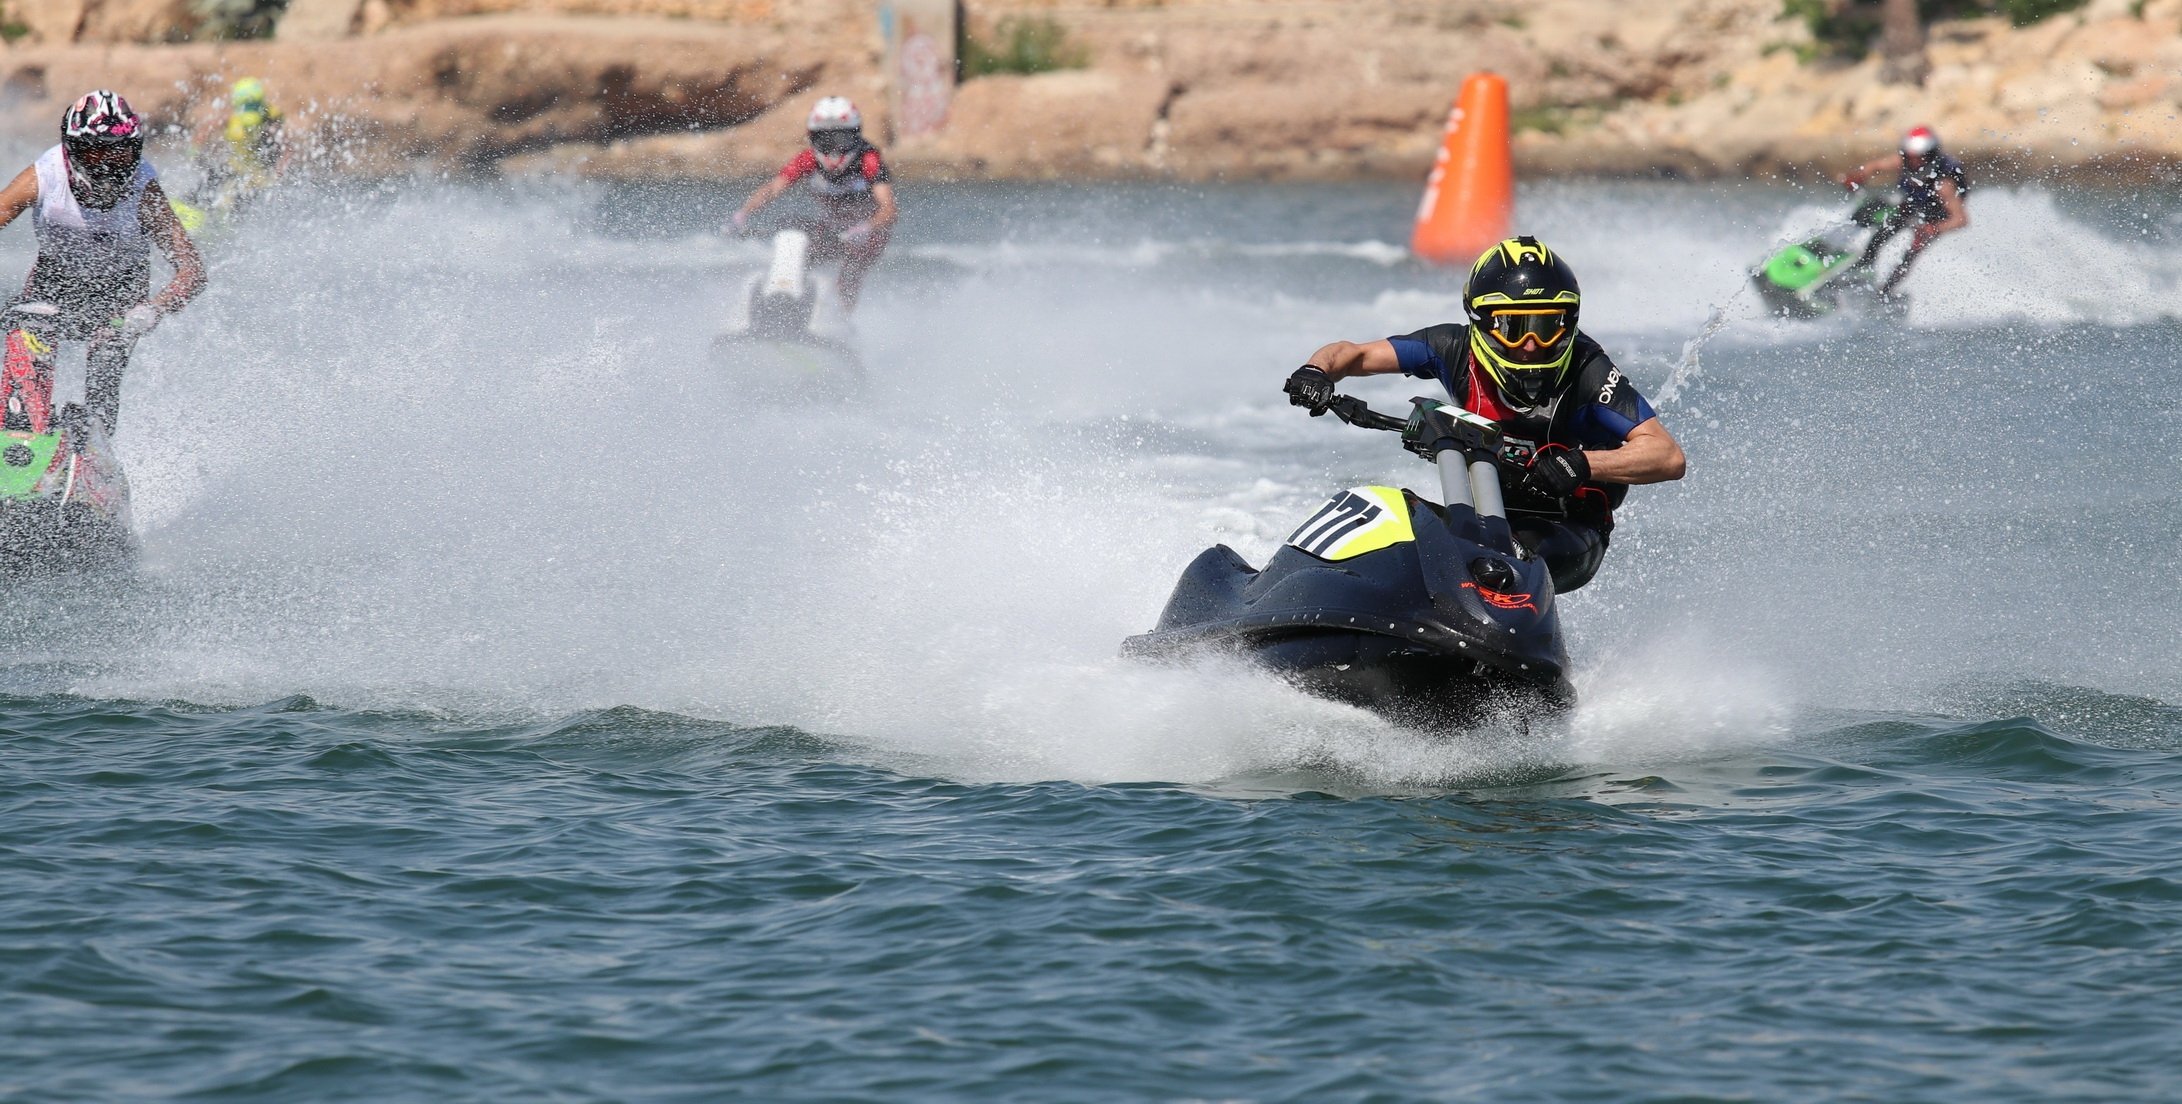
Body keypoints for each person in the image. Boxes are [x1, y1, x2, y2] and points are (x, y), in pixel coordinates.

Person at [1281, 236, 1684, 594]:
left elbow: (1666, 456)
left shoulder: (1588, 369)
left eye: (1547, 326)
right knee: (1390, 520)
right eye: (1513, 326)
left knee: (1496, 556)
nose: (1530, 345)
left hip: (1569, 530)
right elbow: (1355, 354)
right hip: (1481, 521)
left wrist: (1580, 463)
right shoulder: (1450, 347)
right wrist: (1316, 371)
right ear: (1481, 322)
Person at [0, 90, 207, 436]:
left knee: (107, 356)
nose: (108, 166)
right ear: (72, 151)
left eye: (121, 154)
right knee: (26, 352)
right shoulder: (44, 176)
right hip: (54, 281)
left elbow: (193, 271)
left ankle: (94, 452)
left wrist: (153, 310)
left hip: (121, 293)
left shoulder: (144, 190)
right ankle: (18, 442)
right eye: (96, 153)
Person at [726, 97, 898, 312]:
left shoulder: (869, 160)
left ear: (855, 135)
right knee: (791, 236)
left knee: (849, 275)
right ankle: (783, 303)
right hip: (832, 229)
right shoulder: (807, 160)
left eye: (842, 139)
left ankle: (840, 321)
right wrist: (743, 214)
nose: (835, 149)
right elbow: (772, 189)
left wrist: (865, 228)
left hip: (867, 234)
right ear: (812, 137)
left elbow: (889, 210)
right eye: (826, 140)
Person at [1841, 125, 1969, 298]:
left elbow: (1960, 219)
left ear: (1929, 156)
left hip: (1936, 218)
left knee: (1910, 255)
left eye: (1918, 158)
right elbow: (1875, 166)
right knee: (1882, 232)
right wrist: (1857, 176)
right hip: (1912, 206)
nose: (1913, 162)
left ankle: (1885, 293)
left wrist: (1935, 228)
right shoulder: (1903, 161)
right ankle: (1861, 268)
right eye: (1909, 157)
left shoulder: (1944, 185)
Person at [195, 76, 290, 200]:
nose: (250, 109)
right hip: (234, 167)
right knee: (211, 180)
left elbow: (286, 148)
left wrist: (279, 173)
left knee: (240, 195)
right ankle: (197, 203)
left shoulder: (270, 120)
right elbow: (205, 131)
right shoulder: (230, 117)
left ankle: (216, 209)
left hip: (258, 174)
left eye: (254, 105)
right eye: (247, 105)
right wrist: (196, 152)